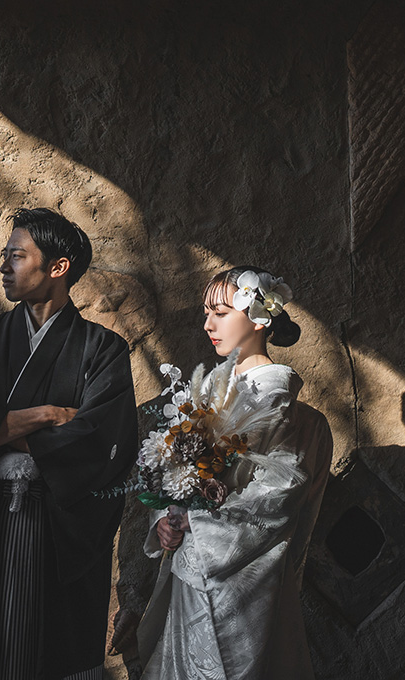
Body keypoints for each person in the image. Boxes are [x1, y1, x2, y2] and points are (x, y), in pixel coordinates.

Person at [0, 207, 137, 680]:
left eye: (17, 256)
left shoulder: (103, 351)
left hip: (58, 533)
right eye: (5, 255)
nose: (4, 266)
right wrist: (44, 415)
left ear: (57, 268)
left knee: (51, 652)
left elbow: (101, 440)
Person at [135, 266, 333, 680]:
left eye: (220, 313)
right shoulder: (206, 390)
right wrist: (167, 520)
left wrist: (199, 520)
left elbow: (281, 491)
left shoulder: (276, 398)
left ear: (259, 318)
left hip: (236, 578)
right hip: (191, 562)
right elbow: (178, 475)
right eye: (206, 313)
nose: (208, 324)